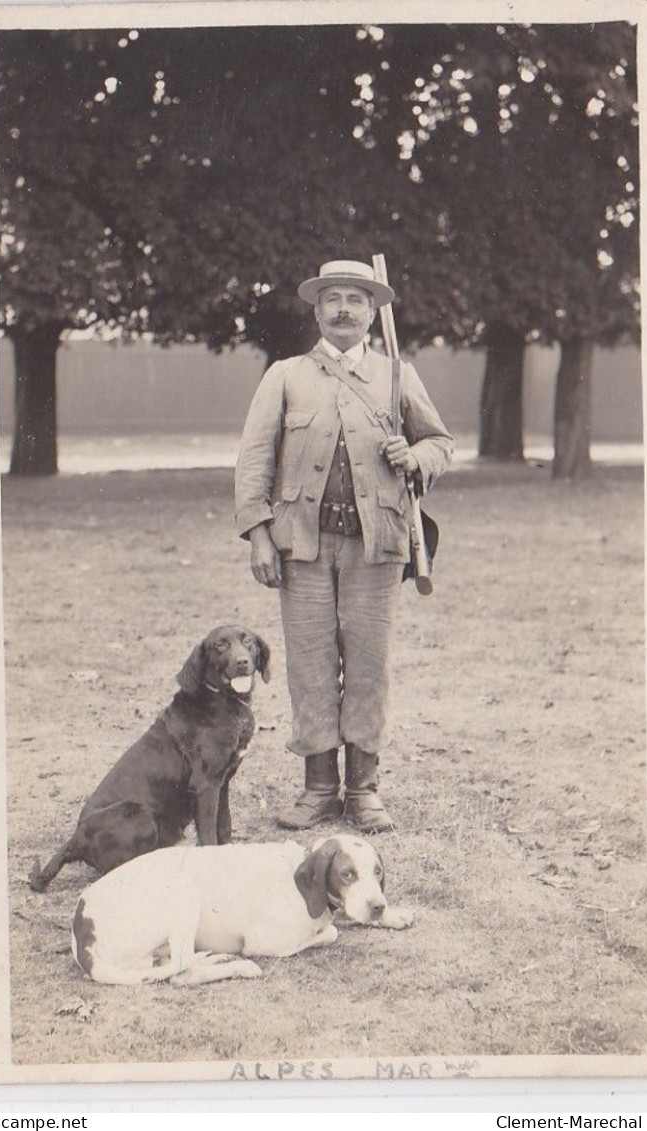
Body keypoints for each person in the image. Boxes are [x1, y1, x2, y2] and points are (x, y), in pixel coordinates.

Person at [234, 260, 453, 833]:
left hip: (376, 544)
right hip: (300, 545)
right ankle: (318, 789)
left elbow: (440, 442)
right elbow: (255, 459)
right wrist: (259, 533)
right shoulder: (285, 375)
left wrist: (418, 457)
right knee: (308, 665)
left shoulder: (398, 376)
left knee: (368, 668)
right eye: (332, 298)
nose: (343, 309)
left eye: (356, 299)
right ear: (316, 310)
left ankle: (363, 790)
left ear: (372, 311)